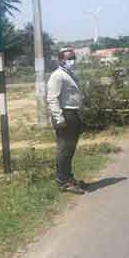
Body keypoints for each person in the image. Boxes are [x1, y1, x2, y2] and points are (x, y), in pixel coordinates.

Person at [47, 49, 86, 195]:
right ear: (61, 60)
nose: (73, 60)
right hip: (65, 114)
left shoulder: (69, 75)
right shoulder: (57, 76)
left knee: (70, 150)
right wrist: (59, 118)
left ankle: (69, 178)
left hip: (73, 114)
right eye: (70, 58)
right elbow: (52, 98)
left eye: (74, 57)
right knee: (64, 149)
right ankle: (63, 182)